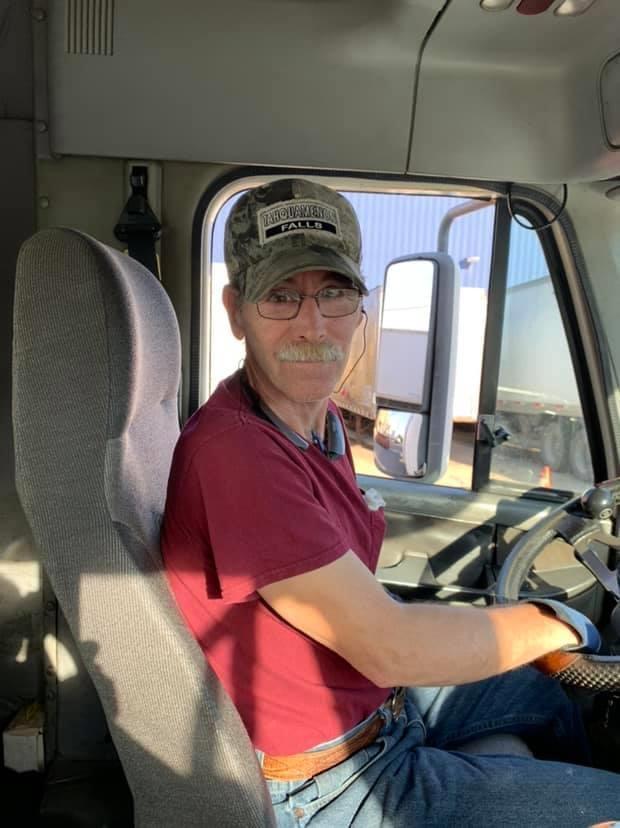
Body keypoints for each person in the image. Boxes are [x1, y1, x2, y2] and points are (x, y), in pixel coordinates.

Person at [161, 178, 620, 826]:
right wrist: (561, 620)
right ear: (236, 311)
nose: (312, 325)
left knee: (544, 695)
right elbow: (389, 648)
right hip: (328, 782)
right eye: (281, 296)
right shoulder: (234, 455)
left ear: (360, 307)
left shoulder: (315, 422)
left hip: (380, 710)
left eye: (334, 293)